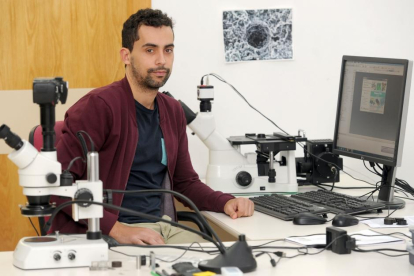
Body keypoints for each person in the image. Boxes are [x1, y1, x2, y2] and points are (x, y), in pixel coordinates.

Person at [51, 8, 254, 245]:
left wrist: (225, 202)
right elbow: (55, 186)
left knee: (222, 259)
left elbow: (185, 182)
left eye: (168, 50)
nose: (161, 60)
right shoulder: (99, 107)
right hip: (108, 232)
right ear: (126, 56)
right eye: (150, 50)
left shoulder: (172, 110)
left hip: (163, 228)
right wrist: (117, 229)